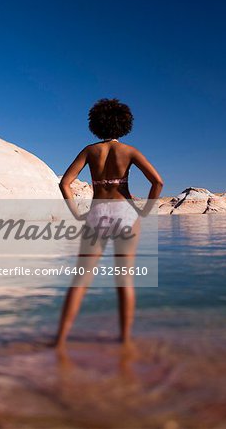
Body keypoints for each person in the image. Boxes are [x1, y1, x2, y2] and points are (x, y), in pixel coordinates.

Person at [55, 98, 163, 350]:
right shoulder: (130, 151)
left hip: (97, 213)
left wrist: (76, 213)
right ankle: (125, 341)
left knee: (81, 280)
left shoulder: (90, 151)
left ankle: (60, 341)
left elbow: (64, 183)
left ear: (96, 124)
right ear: (124, 124)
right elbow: (157, 182)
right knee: (124, 280)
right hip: (125, 212)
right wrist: (146, 210)